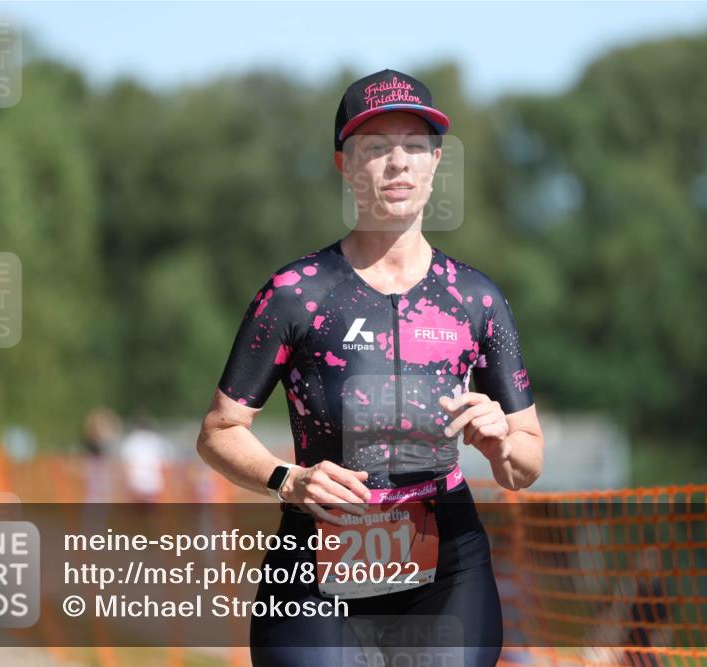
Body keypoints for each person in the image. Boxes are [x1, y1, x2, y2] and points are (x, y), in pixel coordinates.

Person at [197, 68, 544, 666]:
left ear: (437, 163)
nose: (398, 164)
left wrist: (498, 443)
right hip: (317, 563)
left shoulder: (475, 298)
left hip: (447, 568)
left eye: (414, 146)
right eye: (376, 148)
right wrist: (288, 480)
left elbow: (525, 464)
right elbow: (218, 433)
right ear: (345, 166)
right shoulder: (295, 293)